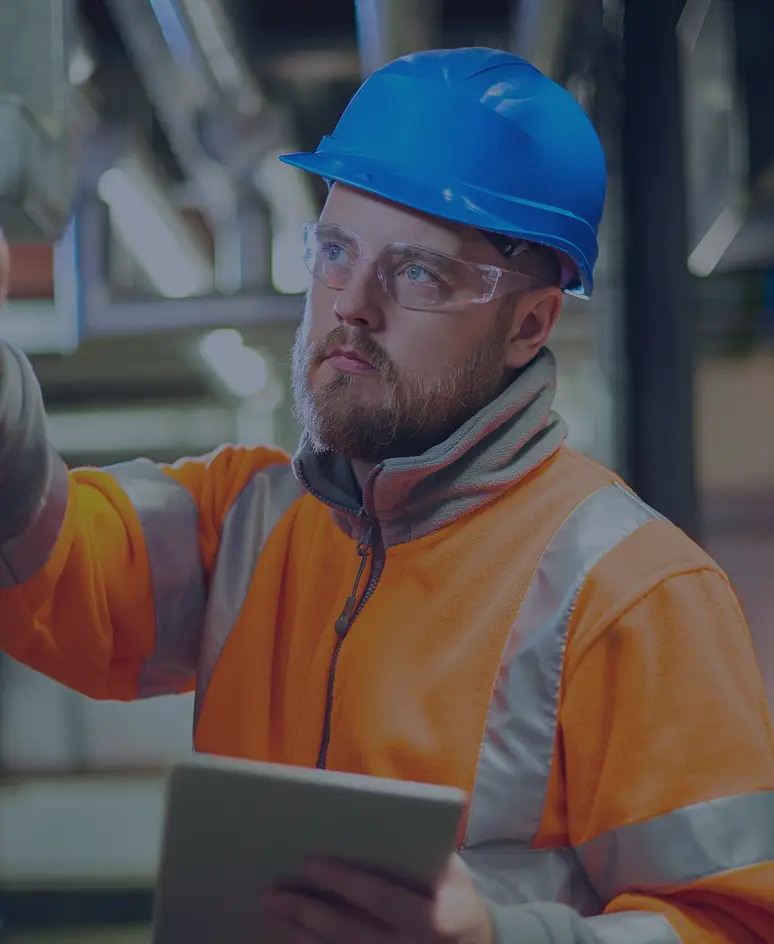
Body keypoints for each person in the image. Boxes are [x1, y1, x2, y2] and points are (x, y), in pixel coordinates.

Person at [0, 47, 773, 944]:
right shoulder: (250, 519)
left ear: (529, 322)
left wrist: (498, 938)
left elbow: (734, 926)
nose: (350, 306)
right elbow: (51, 563)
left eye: (416, 273)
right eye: (334, 251)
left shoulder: (634, 592)